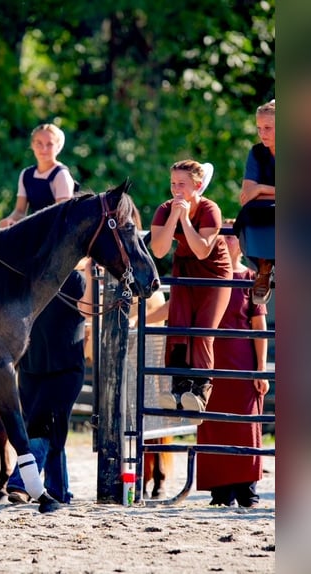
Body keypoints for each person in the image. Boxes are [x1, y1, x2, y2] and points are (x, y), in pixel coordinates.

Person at [0, 122, 83, 504]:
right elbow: (20, 210)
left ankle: (29, 481)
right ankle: (58, 489)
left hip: (52, 247)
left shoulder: (61, 175)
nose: (44, 148)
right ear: (32, 145)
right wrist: (8, 225)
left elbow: (61, 219)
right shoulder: (26, 174)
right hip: (33, 242)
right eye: (39, 143)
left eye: (50, 143)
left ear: (59, 147)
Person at [150, 159, 232, 416]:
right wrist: (174, 215)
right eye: (173, 183)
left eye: (182, 184)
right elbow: (159, 250)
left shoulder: (210, 210)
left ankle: (200, 390)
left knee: (202, 329)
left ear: (197, 185)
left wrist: (184, 219)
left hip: (214, 272)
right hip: (183, 267)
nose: (176, 189)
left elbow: (202, 250)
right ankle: (177, 386)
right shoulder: (164, 210)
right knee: (179, 324)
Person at [196, 222, 269, 507]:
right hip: (212, 360)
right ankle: (220, 491)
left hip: (241, 363)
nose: (227, 243)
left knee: (245, 426)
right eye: (222, 238)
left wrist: (260, 369)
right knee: (213, 423)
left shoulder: (252, 278)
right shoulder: (207, 277)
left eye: (232, 238)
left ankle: (246, 489)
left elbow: (259, 325)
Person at [234, 99, 275, 305]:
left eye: (268, 127)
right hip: (266, 209)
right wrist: (257, 190)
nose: (262, 133)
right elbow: (247, 194)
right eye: (259, 128)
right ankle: (264, 269)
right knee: (249, 213)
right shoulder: (257, 152)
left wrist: (261, 189)